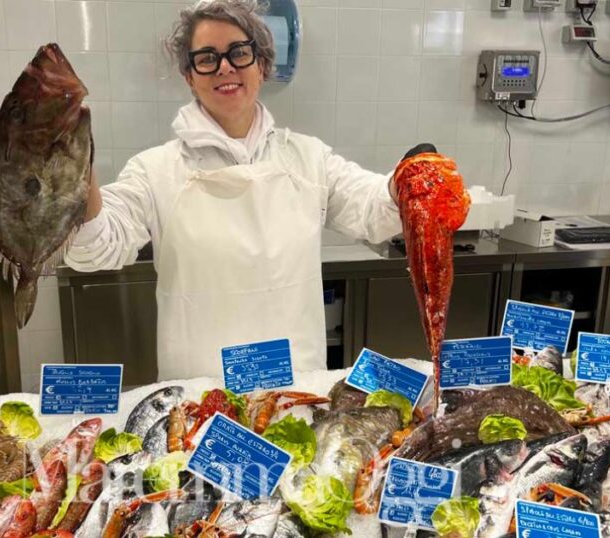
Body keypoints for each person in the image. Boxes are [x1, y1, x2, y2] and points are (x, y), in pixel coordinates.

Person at [65, 0, 432, 380]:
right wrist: (74, 161)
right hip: (200, 398)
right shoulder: (154, 170)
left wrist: (404, 182)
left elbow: (374, 210)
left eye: (239, 53)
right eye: (206, 58)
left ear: (263, 65)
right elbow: (95, 249)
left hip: (295, 390)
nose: (224, 67)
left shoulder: (309, 159)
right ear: (189, 76)